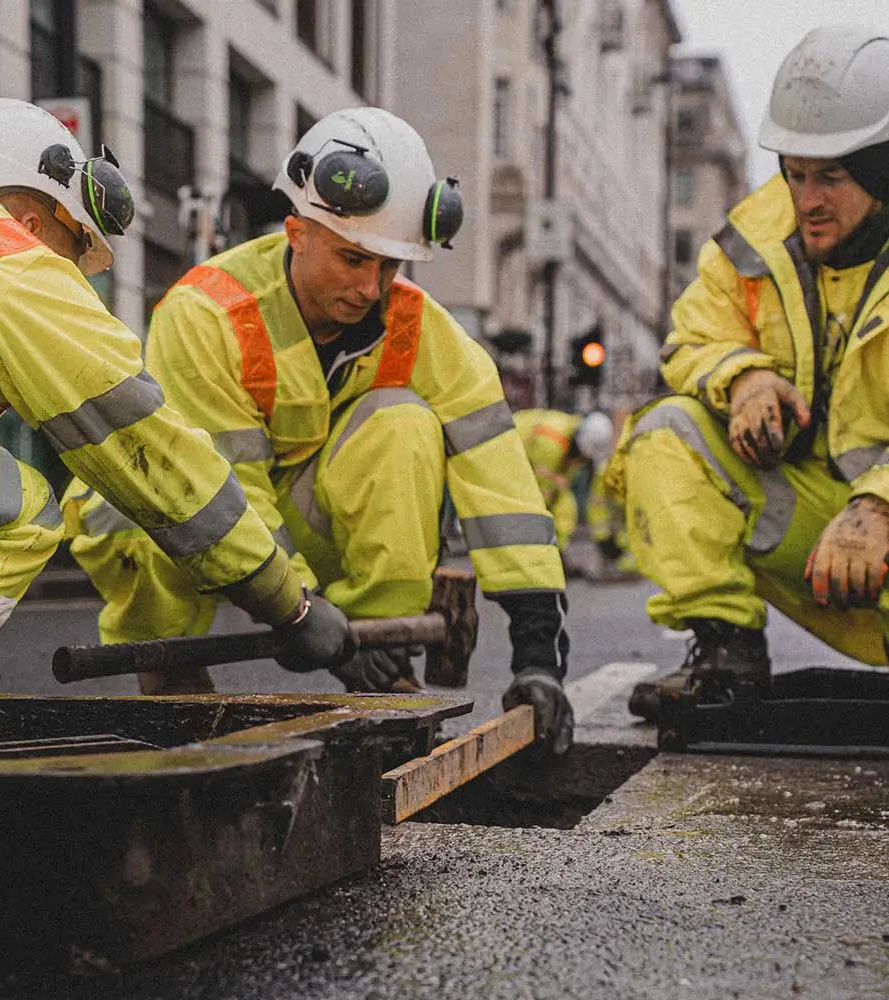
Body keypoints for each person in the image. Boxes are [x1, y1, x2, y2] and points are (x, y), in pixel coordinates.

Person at [62, 106, 574, 753]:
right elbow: (225, 496)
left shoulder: (420, 326)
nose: (371, 287)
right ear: (296, 230)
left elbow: (503, 487)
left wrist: (539, 657)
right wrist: (299, 610)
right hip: (197, 517)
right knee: (148, 493)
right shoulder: (208, 313)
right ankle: (172, 672)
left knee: (403, 424)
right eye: (354, 259)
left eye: (390, 266)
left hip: (299, 518)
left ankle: (385, 660)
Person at [0, 96, 353, 679]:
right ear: (33, 222)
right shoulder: (11, 261)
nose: (75, 277)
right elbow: (152, 458)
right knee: (18, 501)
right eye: (74, 246)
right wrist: (291, 606)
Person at [606, 25, 889, 720]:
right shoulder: (754, 244)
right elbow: (696, 332)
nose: (807, 199)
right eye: (793, 173)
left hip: (877, 526)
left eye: (831, 176)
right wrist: (745, 378)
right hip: (823, 533)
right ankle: (726, 650)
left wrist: (879, 503)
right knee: (670, 429)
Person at [513, 409, 614, 550]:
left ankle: (555, 552)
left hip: (521, 460)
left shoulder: (571, 434)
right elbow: (542, 494)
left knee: (565, 506)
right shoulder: (551, 442)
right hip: (503, 456)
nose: (582, 462)